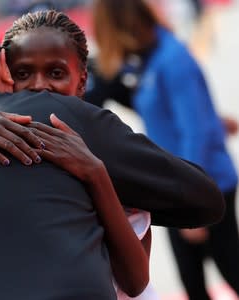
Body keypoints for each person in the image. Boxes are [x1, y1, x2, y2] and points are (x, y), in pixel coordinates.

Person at [0, 9, 224, 300]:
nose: (40, 86)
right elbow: (203, 199)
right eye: (25, 73)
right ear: (3, 65)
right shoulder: (58, 117)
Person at [86, 0, 239, 299]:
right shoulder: (148, 60)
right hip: (177, 186)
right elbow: (181, 116)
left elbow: (195, 131)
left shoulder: (171, 59)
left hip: (205, 186)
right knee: (192, 280)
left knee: (230, 269)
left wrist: (194, 201)